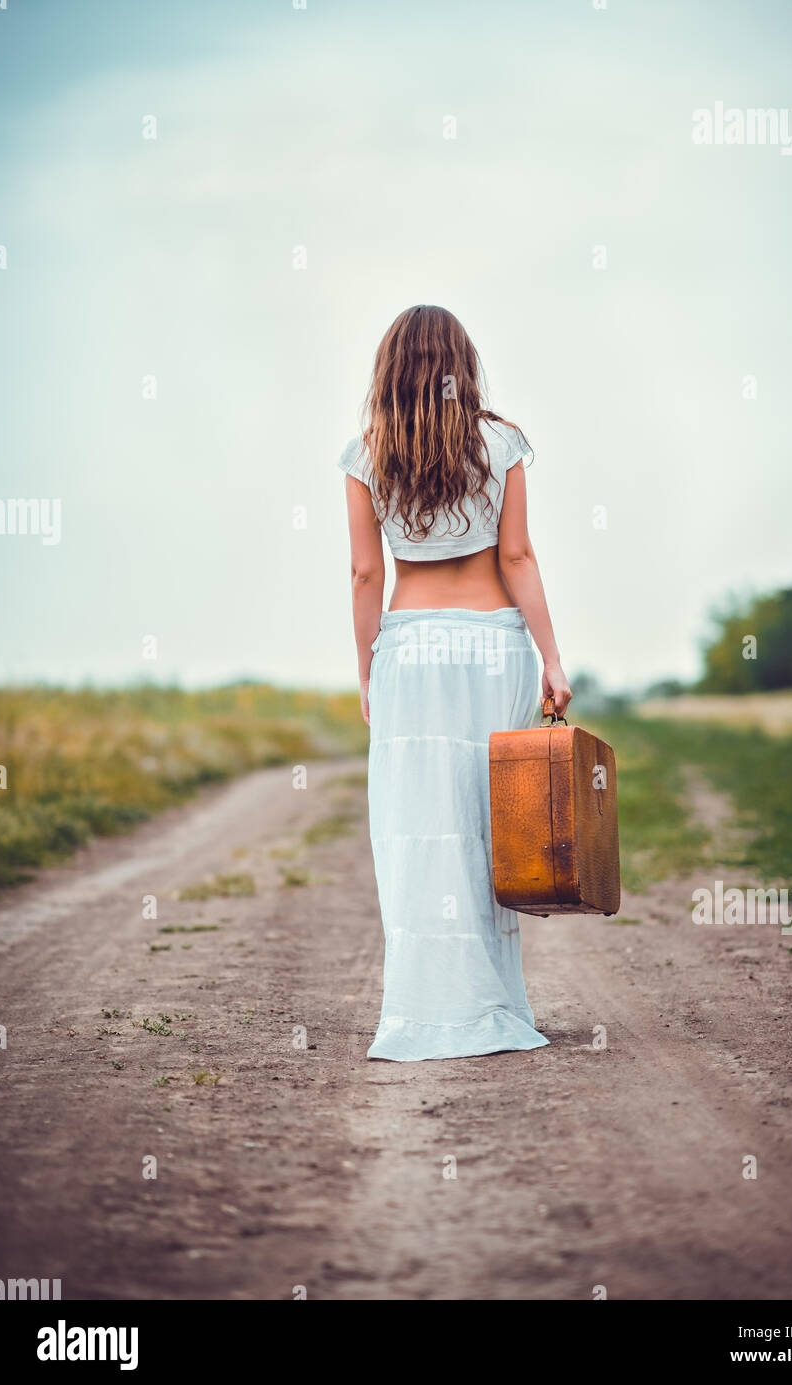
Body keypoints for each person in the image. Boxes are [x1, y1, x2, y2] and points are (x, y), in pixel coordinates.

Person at [338, 304, 571, 1062]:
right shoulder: (501, 442)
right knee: (486, 825)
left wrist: (367, 666)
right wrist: (553, 658)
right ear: (460, 366)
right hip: (493, 646)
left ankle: (428, 1005)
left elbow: (366, 571)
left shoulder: (366, 454)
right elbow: (519, 558)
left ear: (390, 369)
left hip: (413, 648)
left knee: (420, 829)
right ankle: (492, 1004)